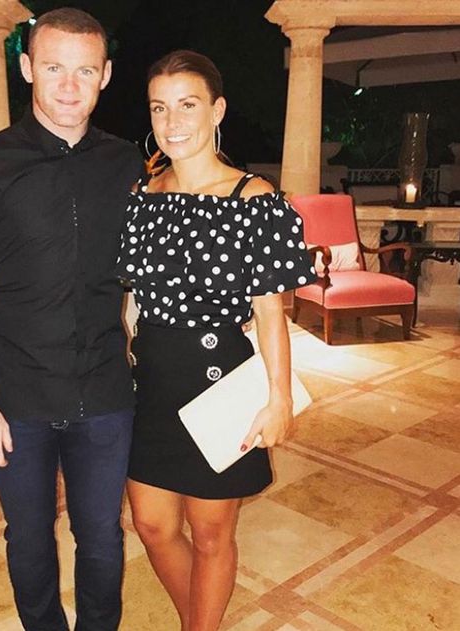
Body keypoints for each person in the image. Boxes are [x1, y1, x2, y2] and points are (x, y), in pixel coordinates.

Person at [0, 9, 143, 631]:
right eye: (54, 68)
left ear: (106, 75)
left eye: (85, 70)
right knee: (27, 538)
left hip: (105, 391)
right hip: (16, 396)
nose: (69, 86)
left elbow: (145, 277)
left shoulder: (128, 165)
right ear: (27, 67)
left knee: (102, 538)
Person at [116, 50, 317, 631]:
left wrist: (278, 397)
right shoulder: (143, 194)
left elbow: (270, 311)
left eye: (187, 105)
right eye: (159, 108)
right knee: (152, 525)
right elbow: (129, 298)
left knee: (210, 533)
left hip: (218, 379)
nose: (172, 121)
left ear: (217, 110)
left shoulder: (253, 199)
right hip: (151, 381)